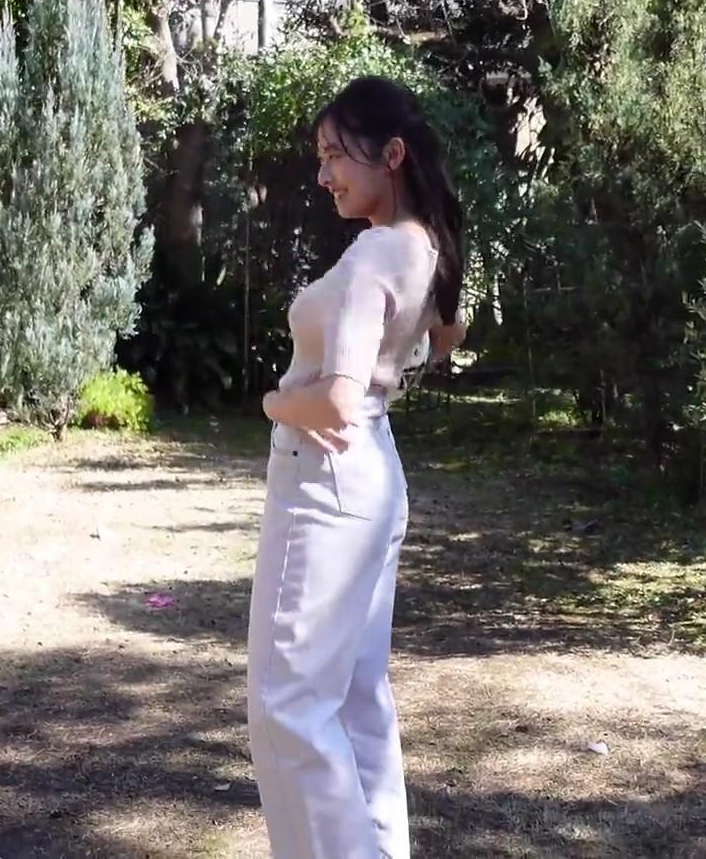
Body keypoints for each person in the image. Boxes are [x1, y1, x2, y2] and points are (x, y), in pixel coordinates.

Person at [248, 76, 468, 857]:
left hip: (326, 477)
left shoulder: (376, 251)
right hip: (372, 477)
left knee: (288, 707)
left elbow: (336, 401)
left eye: (335, 155)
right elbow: (449, 334)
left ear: (392, 154)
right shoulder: (427, 246)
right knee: (354, 697)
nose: (323, 175)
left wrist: (274, 402)